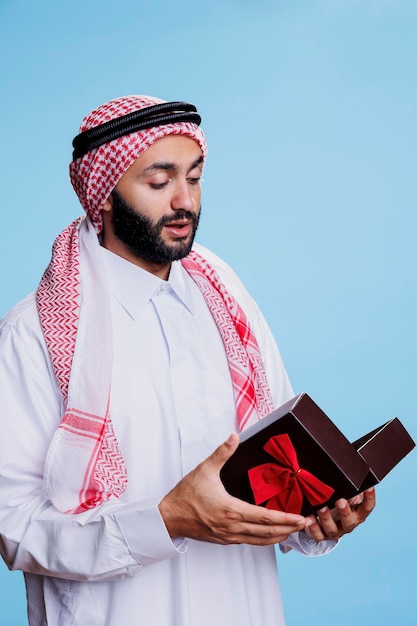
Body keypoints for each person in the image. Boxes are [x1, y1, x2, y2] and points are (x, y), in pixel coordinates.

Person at [0, 95, 375, 626]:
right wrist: (167, 520)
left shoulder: (229, 304)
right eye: (159, 182)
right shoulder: (34, 335)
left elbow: (274, 460)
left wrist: (316, 517)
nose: (185, 202)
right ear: (103, 194)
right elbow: (15, 528)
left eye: (194, 179)